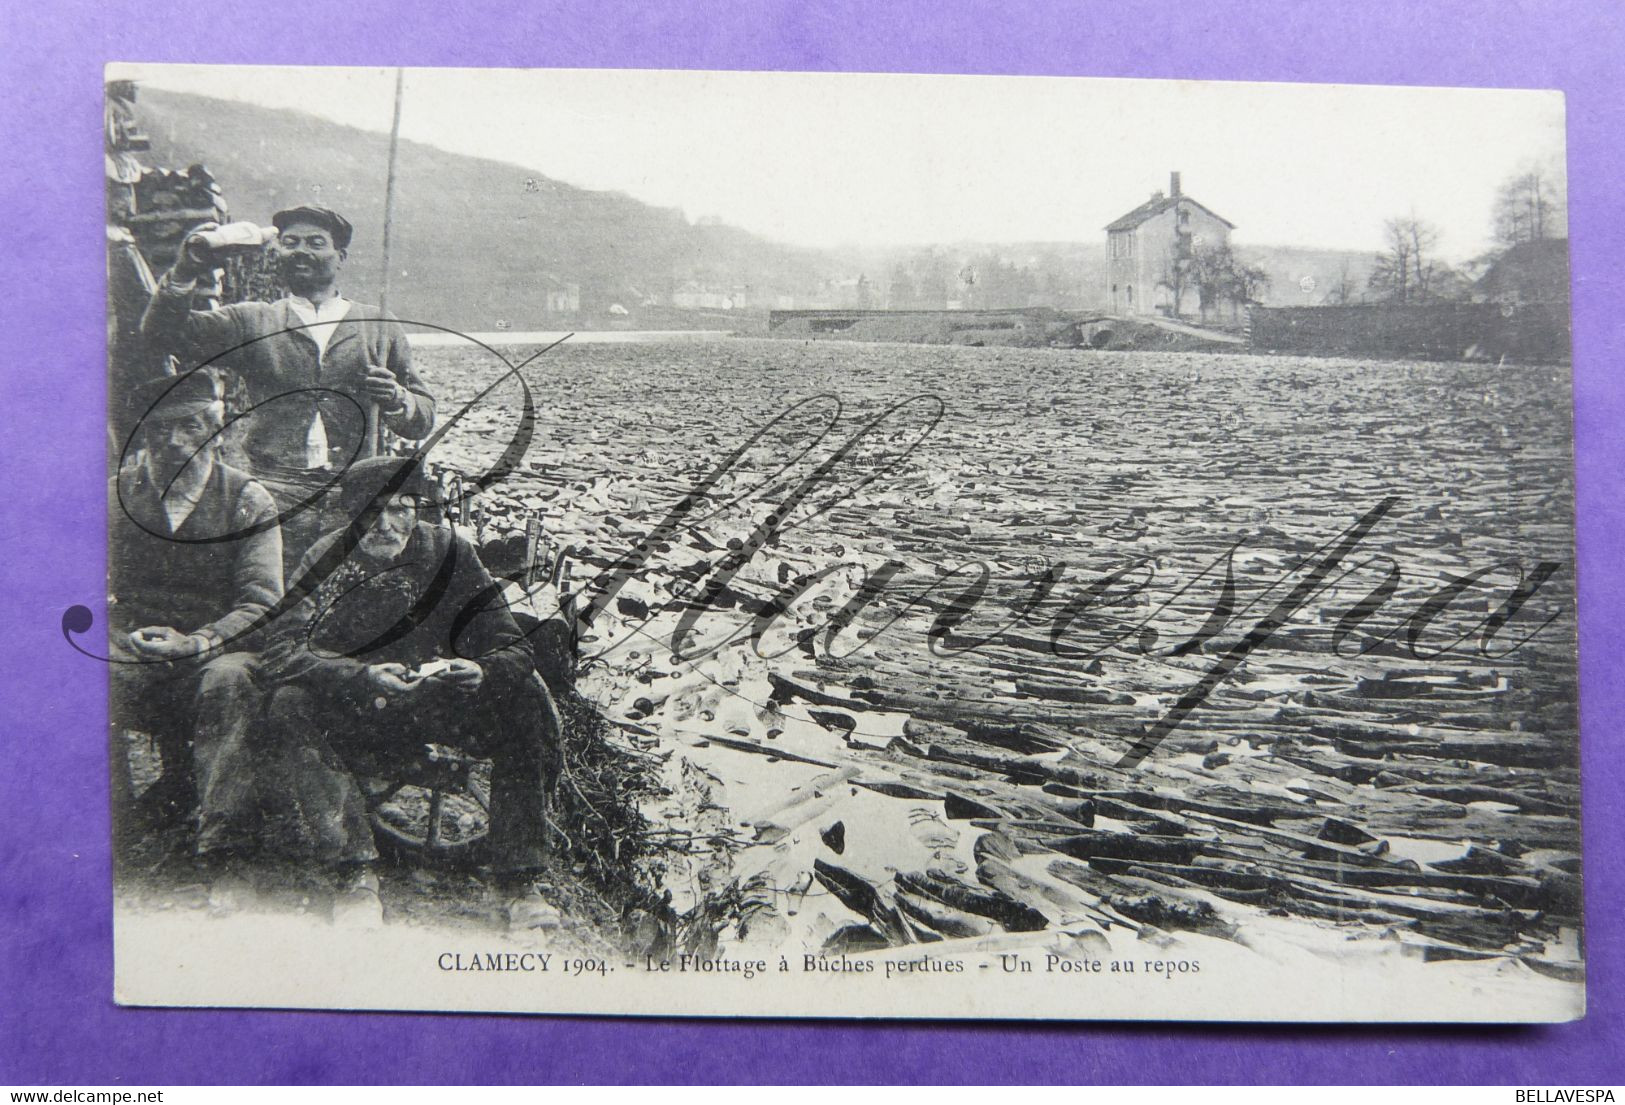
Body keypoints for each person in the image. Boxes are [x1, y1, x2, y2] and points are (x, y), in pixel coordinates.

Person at [255, 456, 561, 929]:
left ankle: (518, 881)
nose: (387, 523)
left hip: (439, 702)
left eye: (401, 509)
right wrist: (359, 676)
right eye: (373, 511)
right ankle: (354, 874)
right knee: (289, 704)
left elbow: (509, 639)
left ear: (419, 510)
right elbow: (282, 647)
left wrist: (481, 670)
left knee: (521, 698)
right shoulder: (324, 558)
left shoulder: (451, 553)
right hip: (359, 706)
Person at [139, 203, 435, 567]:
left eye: (315, 243)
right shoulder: (252, 321)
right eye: (290, 242)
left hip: (355, 499)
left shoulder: (378, 325)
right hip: (272, 495)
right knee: (271, 600)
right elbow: (163, 334)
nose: (301, 252)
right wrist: (188, 267)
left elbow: (422, 418)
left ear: (340, 256)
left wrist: (396, 398)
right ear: (277, 252)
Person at [109, 372, 284, 902]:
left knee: (228, 684)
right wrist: (121, 633)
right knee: (79, 673)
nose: (174, 443)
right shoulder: (118, 498)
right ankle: (115, 830)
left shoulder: (247, 501)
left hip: (218, 651)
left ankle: (225, 855)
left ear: (215, 431)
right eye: (159, 431)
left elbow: (261, 603)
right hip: (137, 645)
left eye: (189, 427)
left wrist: (200, 640)